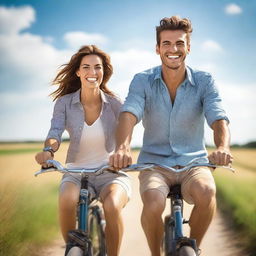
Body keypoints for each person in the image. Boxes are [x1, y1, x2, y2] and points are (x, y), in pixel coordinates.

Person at [109, 16, 233, 256]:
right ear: (157, 48)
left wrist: (223, 147)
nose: (173, 49)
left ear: (188, 47)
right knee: (154, 203)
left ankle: (191, 248)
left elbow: (218, 117)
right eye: (166, 43)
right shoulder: (142, 80)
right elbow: (129, 113)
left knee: (207, 192)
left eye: (179, 43)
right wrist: (123, 147)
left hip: (194, 162)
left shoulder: (205, 81)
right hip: (155, 163)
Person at [35, 45, 131, 256]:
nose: (92, 72)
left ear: (103, 72)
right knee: (67, 199)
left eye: (97, 67)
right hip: (76, 171)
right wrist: (48, 151)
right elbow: (55, 131)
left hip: (110, 172)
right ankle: (74, 247)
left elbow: (127, 128)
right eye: (86, 67)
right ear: (78, 71)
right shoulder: (64, 103)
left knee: (113, 206)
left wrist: (123, 150)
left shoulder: (116, 103)